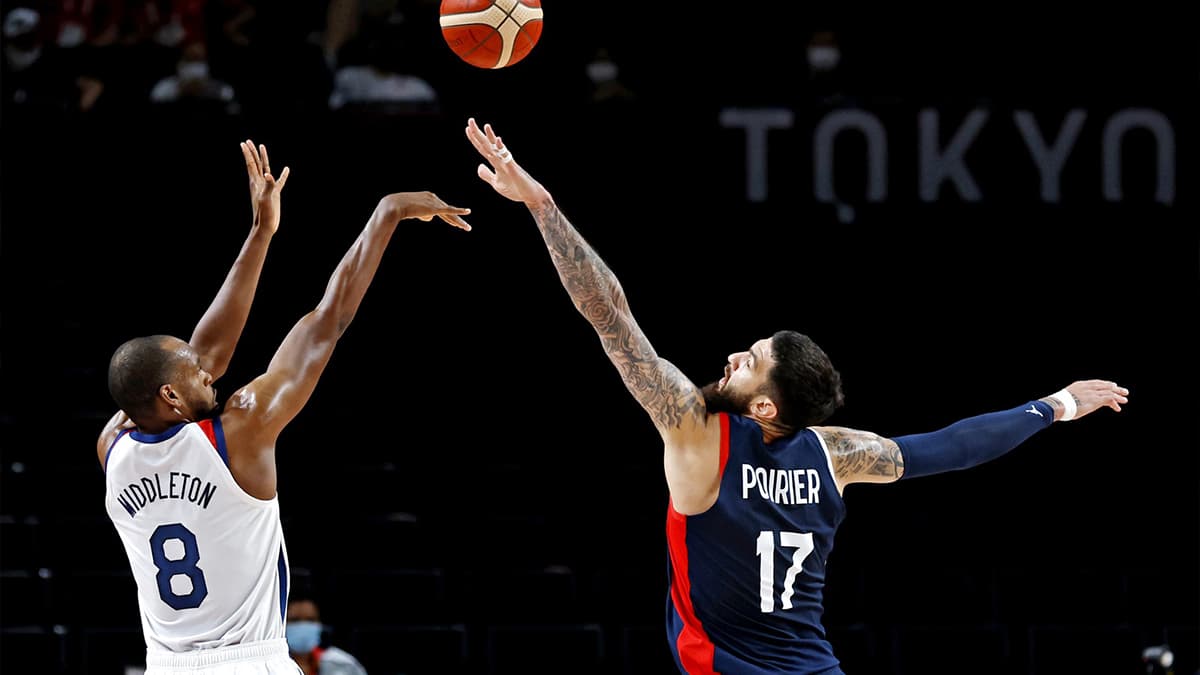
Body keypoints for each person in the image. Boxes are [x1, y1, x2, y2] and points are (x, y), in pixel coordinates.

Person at [462, 117, 1129, 675]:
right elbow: (949, 448)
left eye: (748, 362)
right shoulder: (835, 455)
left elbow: (610, 315)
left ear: (763, 408)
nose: (730, 356)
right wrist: (1055, 405)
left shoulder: (698, 432)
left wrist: (542, 206)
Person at [97, 139, 471, 674]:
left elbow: (197, 361)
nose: (208, 368)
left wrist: (261, 233)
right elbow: (328, 321)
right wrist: (387, 213)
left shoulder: (111, 446)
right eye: (192, 371)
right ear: (172, 397)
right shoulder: (239, 433)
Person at [286, 595, 368, 675]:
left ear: (320, 624)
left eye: (310, 620)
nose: (303, 626)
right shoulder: (274, 666)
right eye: (295, 620)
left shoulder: (344, 665)